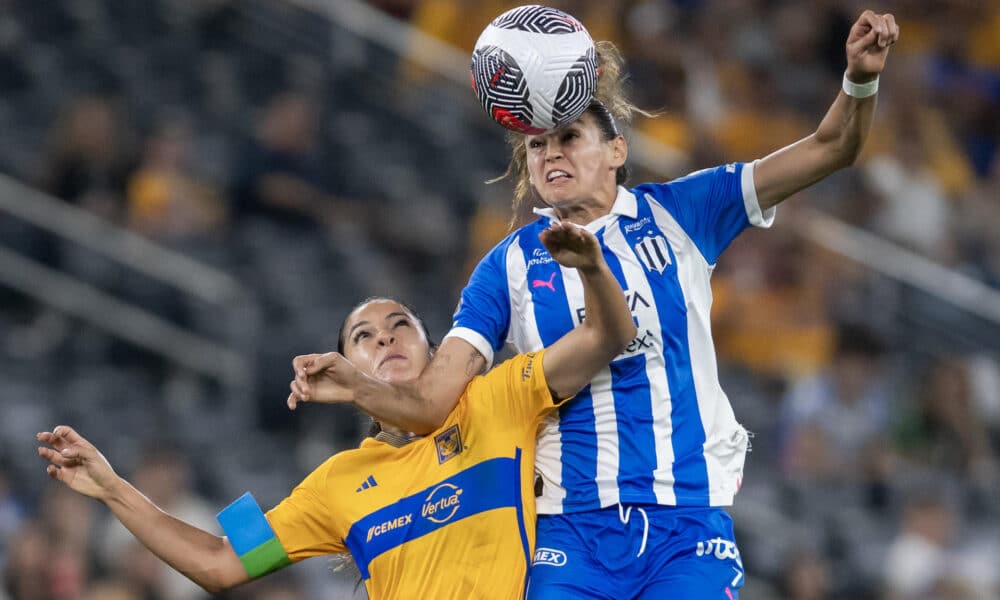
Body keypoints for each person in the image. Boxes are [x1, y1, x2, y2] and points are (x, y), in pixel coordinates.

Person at [289, 9, 899, 599]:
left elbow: (831, 148)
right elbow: (428, 403)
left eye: (569, 138)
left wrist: (860, 78)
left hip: (685, 524)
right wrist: (357, 384)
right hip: (569, 532)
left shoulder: (684, 210)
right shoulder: (507, 266)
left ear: (616, 151)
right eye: (536, 146)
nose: (550, 153)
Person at [36, 219, 637, 599]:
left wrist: (593, 270)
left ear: (436, 352)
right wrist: (115, 489)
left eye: (402, 326)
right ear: (346, 361)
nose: (386, 339)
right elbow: (219, 563)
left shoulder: (497, 397)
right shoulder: (332, 485)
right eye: (364, 336)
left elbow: (607, 337)